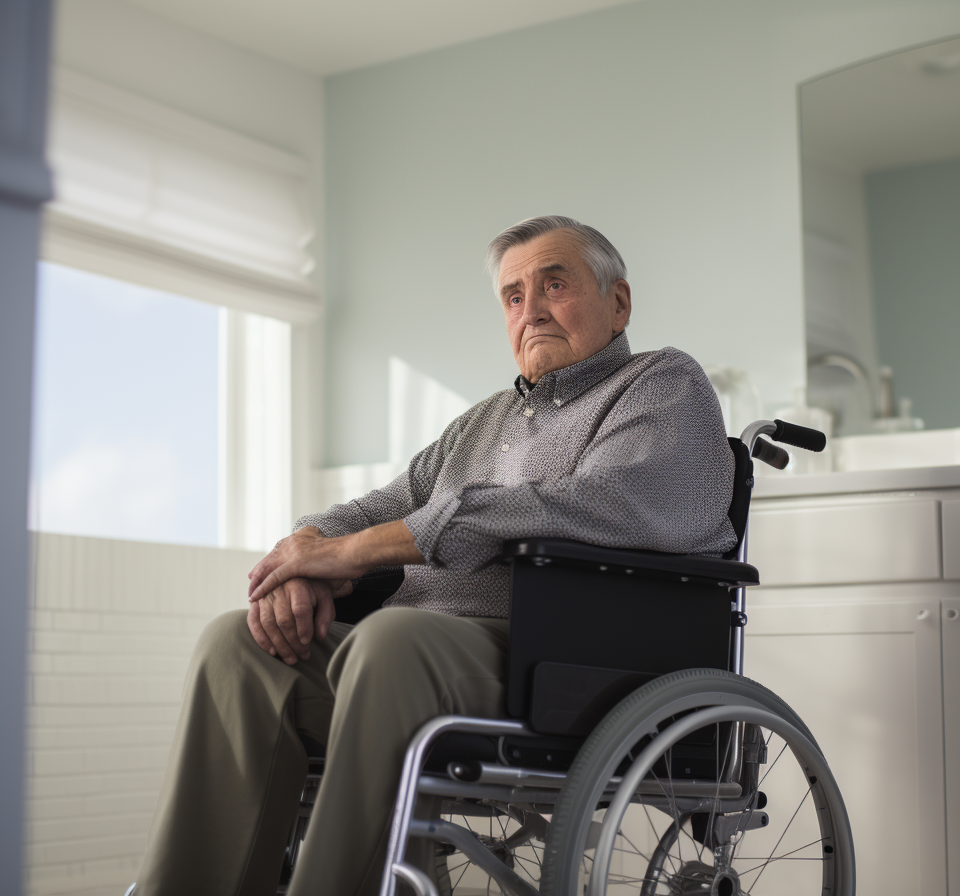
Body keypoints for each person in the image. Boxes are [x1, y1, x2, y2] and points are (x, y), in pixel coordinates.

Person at [131, 216, 737, 896]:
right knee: (236, 644)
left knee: (393, 639)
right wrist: (301, 554)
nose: (531, 309)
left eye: (555, 285)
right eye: (513, 296)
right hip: (406, 656)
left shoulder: (662, 385)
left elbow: (593, 502)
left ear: (618, 302)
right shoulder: (480, 424)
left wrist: (360, 550)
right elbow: (373, 507)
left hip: (555, 659)